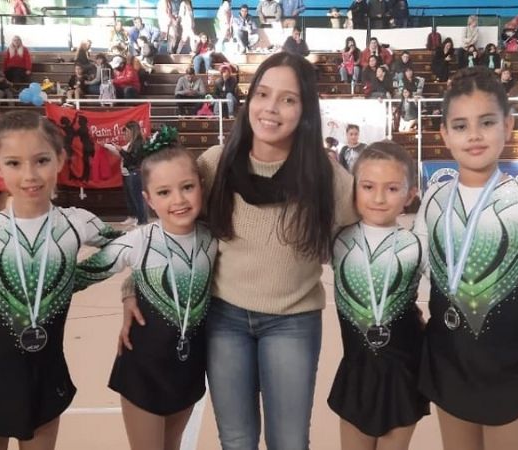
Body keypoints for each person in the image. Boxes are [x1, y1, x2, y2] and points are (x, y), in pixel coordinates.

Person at [118, 51, 357, 449]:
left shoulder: (325, 176)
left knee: (289, 441)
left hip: (292, 322)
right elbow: (174, 237)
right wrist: (131, 288)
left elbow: (366, 236)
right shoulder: (216, 165)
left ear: (306, 109)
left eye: (288, 99)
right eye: (263, 94)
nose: (272, 108)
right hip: (224, 319)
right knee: (237, 438)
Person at [413, 67, 518, 450]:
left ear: (508, 125)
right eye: (460, 125)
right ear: (444, 136)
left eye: (486, 122)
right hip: (450, 362)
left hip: (513, 366)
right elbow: (409, 267)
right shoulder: (433, 201)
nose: (473, 135)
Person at [0, 110, 120, 448]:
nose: (30, 175)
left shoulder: (76, 223)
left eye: (41, 160)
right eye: (14, 163)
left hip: (44, 377)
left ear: (60, 159)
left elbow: (133, 247)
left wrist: (77, 279)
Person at [77, 129, 218, 450]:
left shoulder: (213, 240)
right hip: (143, 368)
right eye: (164, 192)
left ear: (201, 187)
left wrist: (130, 289)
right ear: (148, 199)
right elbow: (76, 277)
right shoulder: (139, 240)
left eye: (187, 187)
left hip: (189, 366)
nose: (179, 200)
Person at [329, 140, 428, 449]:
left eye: (392, 189)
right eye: (368, 186)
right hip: (356, 372)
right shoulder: (337, 240)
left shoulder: (417, 245)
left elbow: (458, 284)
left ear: (410, 195)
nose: (379, 198)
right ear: (353, 188)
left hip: (403, 373)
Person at [103, 121, 149, 227]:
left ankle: (142, 220)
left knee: (138, 198)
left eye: (127, 132)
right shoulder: (134, 143)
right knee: (134, 197)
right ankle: (139, 219)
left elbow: (132, 159)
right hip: (132, 171)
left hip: (135, 172)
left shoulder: (138, 143)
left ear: (132, 131)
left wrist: (121, 151)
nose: (125, 134)